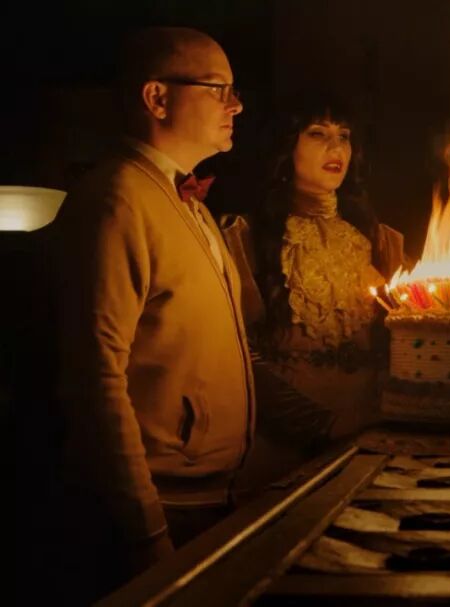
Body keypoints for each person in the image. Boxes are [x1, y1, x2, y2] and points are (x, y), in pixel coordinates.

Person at [49, 27, 251, 599]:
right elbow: (95, 378)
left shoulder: (189, 204)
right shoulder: (118, 199)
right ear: (157, 98)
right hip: (161, 510)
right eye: (218, 89)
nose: (236, 105)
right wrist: (145, 530)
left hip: (209, 502)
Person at [219, 94, 405, 489]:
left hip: (373, 435)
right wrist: (319, 423)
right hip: (281, 445)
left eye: (344, 136)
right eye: (318, 133)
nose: (336, 147)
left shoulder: (381, 241)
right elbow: (237, 356)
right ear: (286, 146)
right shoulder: (245, 238)